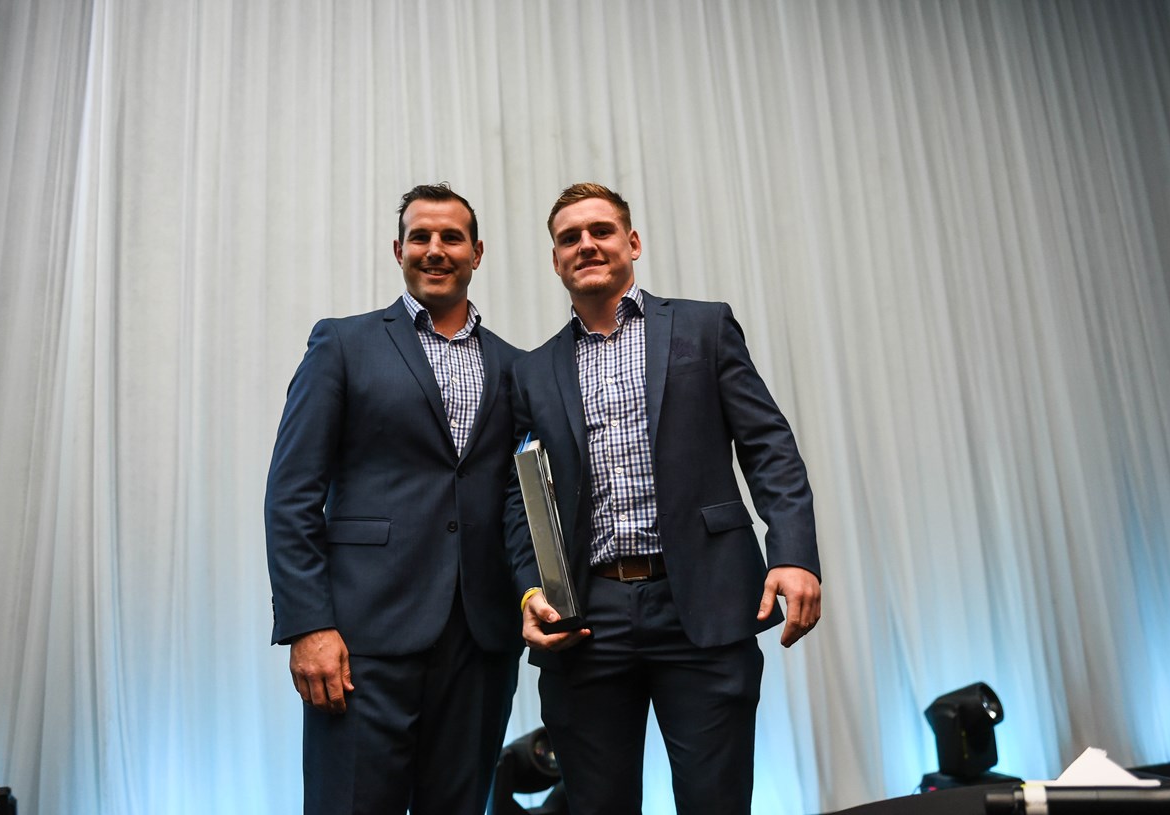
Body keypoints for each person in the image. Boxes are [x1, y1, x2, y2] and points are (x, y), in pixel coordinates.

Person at [504, 183, 822, 814]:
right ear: (555, 259)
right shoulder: (532, 371)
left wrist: (793, 552)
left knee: (715, 803)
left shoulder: (704, 327)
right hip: (587, 619)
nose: (586, 244)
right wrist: (529, 589)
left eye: (601, 230)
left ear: (633, 242)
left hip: (702, 602)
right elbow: (519, 498)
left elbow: (768, 445)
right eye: (569, 238)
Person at [265, 183, 523, 814]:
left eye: (452, 237)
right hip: (362, 640)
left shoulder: (517, 366)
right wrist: (308, 624)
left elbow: (525, 499)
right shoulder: (342, 344)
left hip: (480, 641)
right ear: (398, 249)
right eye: (420, 237)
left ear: (477, 253)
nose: (435, 249)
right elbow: (292, 493)